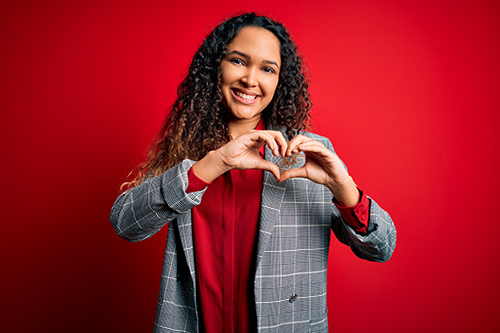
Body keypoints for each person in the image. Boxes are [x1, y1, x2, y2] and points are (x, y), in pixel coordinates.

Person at [110, 12, 396, 333]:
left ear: (279, 81)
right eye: (238, 61)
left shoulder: (307, 154)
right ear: (215, 67)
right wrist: (212, 165)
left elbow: (381, 248)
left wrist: (343, 187)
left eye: (267, 69)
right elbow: (125, 223)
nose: (250, 79)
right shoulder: (187, 151)